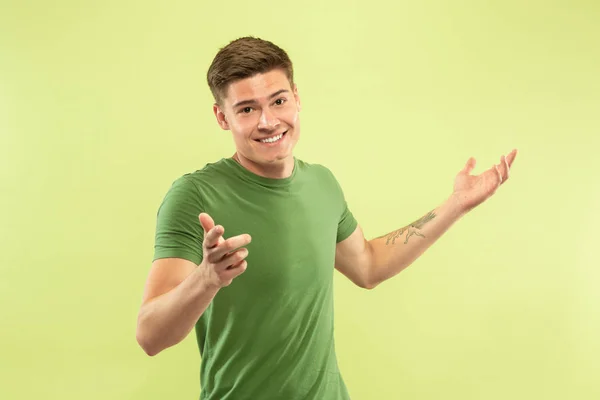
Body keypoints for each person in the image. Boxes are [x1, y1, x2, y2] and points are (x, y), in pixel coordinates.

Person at [135, 36, 517, 400]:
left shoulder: (321, 183)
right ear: (222, 117)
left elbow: (368, 265)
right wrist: (207, 278)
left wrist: (457, 204)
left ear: (297, 99)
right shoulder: (195, 195)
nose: (268, 121)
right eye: (247, 109)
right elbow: (150, 335)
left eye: (278, 101)